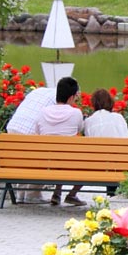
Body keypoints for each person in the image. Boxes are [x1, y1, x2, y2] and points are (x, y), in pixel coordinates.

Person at [34, 76, 85, 205]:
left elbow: (37, 132)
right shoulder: (76, 113)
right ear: (71, 97)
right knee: (82, 160)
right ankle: (71, 194)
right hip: (69, 164)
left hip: (45, 162)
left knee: (58, 155)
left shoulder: (42, 112)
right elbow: (80, 129)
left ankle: (57, 193)